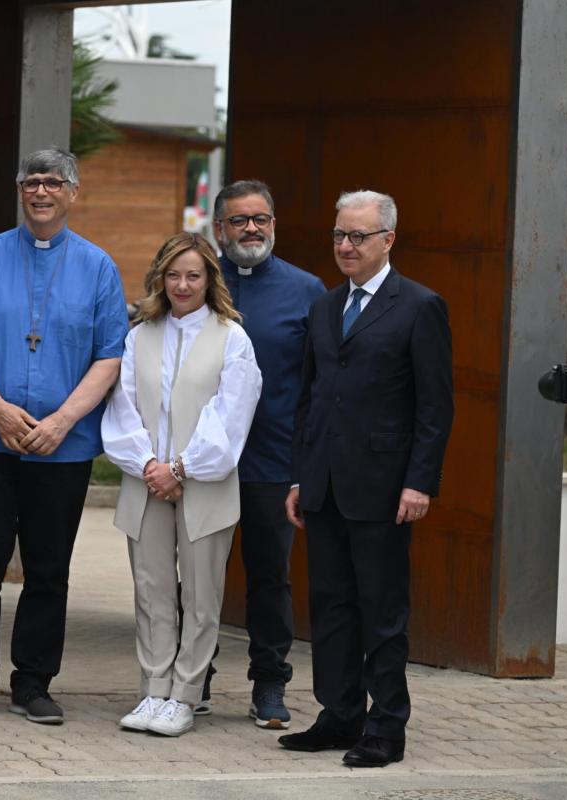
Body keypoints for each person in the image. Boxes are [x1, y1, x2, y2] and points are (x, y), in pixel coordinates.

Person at [0, 147, 129, 724]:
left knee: (48, 568)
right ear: (21, 191)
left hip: (61, 447)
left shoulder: (97, 267)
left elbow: (110, 355)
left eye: (53, 182)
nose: (41, 192)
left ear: (72, 192)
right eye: (31, 182)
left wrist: (64, 421)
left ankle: (34, 681)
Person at [279, 190, 453, 767]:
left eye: (357, 236)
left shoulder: (419, 306)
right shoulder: (325, 306)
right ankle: (339, 714)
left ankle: (386, 726)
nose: (346, 246)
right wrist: (302, 477)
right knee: (329, 608)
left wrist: (419, 482)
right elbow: (310, 399)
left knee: (381, 611)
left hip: (384, 488)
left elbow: (434, 407)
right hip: (324, 485)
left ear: (388, 240)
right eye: (338, 236)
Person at [102, 233, 261, 737]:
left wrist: (183, 468)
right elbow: (121, 407)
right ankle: (153, 690)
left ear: (210, 278)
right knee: (151, 592)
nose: (183, 285)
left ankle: (185, 695)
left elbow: (231, 415)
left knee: (200, 595)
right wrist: (150, 464)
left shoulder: (231, 337)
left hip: (204, 483)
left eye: (193, 275)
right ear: (160, 278)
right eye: (173, 275)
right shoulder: (138, 335)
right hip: (145, 480)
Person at [213, 179, 325, 729]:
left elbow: (320, 385)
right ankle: (193, 679)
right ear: (219, 229)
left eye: (260, 219)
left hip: (273, 463)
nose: (250, 228)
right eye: (239, 220)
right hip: (204, 462)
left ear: (274, 226)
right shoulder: (195, 284)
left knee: (269, 578)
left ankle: (270, 685)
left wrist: (307, 466)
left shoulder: (308, 291)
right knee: (198, 575)